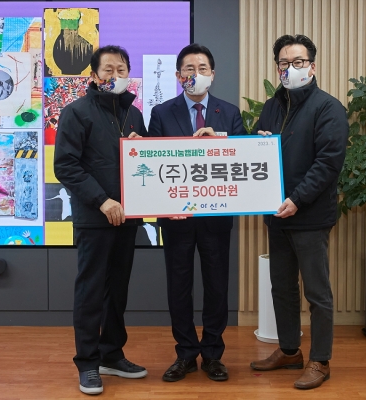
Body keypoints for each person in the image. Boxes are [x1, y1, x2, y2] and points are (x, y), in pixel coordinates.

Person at [249, 34, 348, 390]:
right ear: (276, 67)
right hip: (277, 213)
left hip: (309, 216)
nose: (290, 68)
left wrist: (297, 199)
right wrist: (256, 142)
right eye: (284, 63)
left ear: (312, 66)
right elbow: (255, 150)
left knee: (317, 292)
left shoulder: (328, 108)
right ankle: (290, 350)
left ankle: (320, 360)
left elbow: (328, 163)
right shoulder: (272, 106)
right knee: (282, 287)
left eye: (298, 62)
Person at [54, 45, 148, 395]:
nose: (115, 75)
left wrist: (142, 145)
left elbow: (144, 164)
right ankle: (88, 363)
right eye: (108, 69)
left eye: (121, 69)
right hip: (95, 217)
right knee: (91, 290)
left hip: (129, 216)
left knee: (118, 289)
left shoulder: (133, 114)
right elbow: (65, 166)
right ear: (94, 75)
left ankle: (112, 354)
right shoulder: (76, 112)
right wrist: (102, 200)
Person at [148, 43, 244, 383]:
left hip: (216, 217)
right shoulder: (162, 113)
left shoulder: (228, 112)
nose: (196, 74)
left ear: (212, 75)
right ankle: (186, 353)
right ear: (178, 76)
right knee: (179, 287)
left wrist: (219, 139)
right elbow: (153, 163)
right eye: (189, 69)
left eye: (202, 68)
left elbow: (242, 156)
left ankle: (213, 354)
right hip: (176, 219)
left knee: (217, 285)